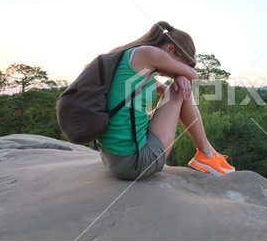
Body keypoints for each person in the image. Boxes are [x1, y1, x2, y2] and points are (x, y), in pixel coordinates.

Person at [97, 21, 234, 180]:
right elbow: (193, 75)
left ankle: (209, 152)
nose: (173, 68)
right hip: (134, 163)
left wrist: (177, 77)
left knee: (178, 90)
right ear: (169, 49)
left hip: (112, 158)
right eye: (177, 64)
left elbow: (166, 93)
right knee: (182, 90)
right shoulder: (149, 53)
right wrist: (181, 76)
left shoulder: (131, 59)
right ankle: (206, 154)